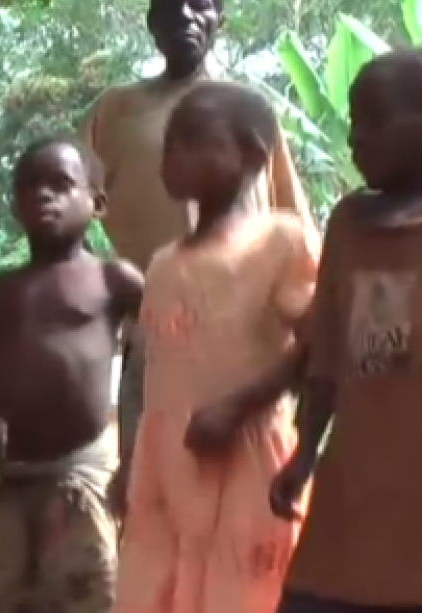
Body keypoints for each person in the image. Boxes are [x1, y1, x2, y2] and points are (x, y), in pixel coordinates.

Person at [81, 0, 314, 502]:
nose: (184, 15)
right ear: (151, 22)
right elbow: (72, 200)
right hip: (154, 329)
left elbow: (289, 213)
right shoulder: (116, 109)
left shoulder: (249, 108)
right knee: (152, 490)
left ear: (220, 18)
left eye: (201, 4)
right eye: (168, 6)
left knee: (244, 489)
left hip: (245, 335)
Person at [112, 82, 319, 613]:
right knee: (159, 589)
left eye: (192, 138)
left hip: (244, 463)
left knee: (239, 593)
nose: (172, 151)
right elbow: (153, 369)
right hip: (167, 466)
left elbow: (319, 341)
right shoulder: (161, 264)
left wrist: (240, 405)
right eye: (168, 141)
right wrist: (131, 458)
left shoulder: (281, 241)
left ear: (252, 153)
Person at [0, 138, 141, 613]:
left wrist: (138, 455)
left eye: (61, 185)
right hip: (14, 474)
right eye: (28, 187)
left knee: (88, 594)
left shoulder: (115, 280)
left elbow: (159, 351)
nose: (43, 196)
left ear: (98, 202)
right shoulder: (2, 290)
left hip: (83, 470)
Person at [269, 50, 422, 613]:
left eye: (377, 119)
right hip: (353, 490)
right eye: (354, 120)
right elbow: (327, 354)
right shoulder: (350, 222)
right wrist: (305, 452)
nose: (358, 137)